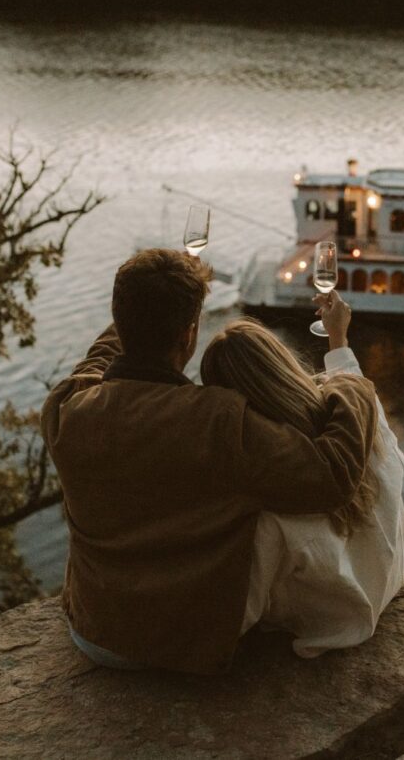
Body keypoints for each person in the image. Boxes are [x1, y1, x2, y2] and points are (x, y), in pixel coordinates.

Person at [40, 249, 378, 674]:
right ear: (189, 335)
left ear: (120, 319)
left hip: (95, 634)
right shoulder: (219, 422)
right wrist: (347, 375)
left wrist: (144, 305)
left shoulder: (68, 411)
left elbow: (98, 361)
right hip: (184, 644)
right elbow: (333, 474)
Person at [201, 291, 404, 657]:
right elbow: (351, 381)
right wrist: (338, 338)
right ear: (282, 365)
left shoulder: (270, 500)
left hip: (335, 626)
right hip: (391, 575)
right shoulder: (359, 415)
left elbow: (241, 612)